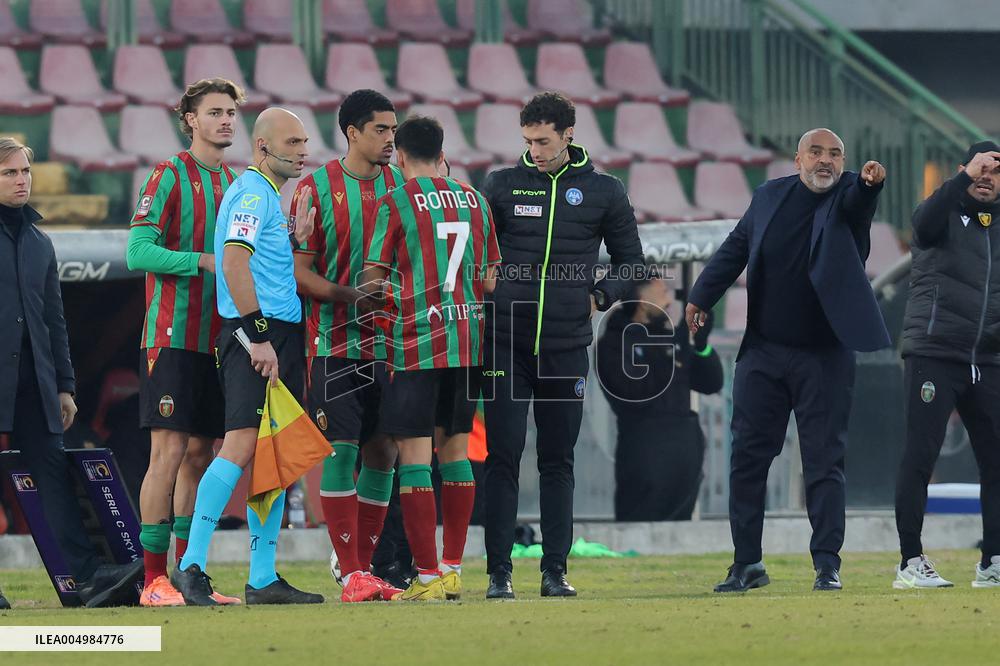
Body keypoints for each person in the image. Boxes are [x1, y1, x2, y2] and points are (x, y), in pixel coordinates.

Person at [685, 128, 889, 593]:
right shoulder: (768, 197)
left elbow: (861, 200)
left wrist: (871, 184)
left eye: (835, 154)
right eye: (816, 152)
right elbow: (736, 247)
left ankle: (827, 565)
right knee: (748, 459)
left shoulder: (850, 197)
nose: (826, 161)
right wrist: (701, 296)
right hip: (764, 351)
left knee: (823, 461)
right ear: (797, 159)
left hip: (826, 355)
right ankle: (747, 564)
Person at [481, 91, 643, 599]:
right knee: (503, 456)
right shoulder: (501, 185)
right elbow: (479, 256)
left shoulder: (605, 191)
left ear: (569, 135)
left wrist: (599, 296)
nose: (535, 150)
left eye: (544, 141)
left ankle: (555, 572)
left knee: (557, 458)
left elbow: (631, 263)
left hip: (566, 346)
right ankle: (499, 574)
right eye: (527, 141)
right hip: (503, 343)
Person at [171, 108, 322, 606]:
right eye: (294, 142)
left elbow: (258, 258)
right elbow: (234, 261)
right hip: (257, 333)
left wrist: (291, 237)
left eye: (304, 142)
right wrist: (256, 336)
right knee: (237, 445)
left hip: (274, 330)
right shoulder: (253, 193)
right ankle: (191, 567)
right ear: (263, 147)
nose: (303, 151)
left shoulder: (262, 197)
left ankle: (262, 577)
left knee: (270, 455)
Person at [360, 114, 501, 601]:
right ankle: (454, 567)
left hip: (415, 343)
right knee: (457, 453)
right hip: (466, 341)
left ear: (399, 157)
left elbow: (372, 281)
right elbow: (488, 280)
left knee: (415, 459)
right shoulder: (476, 201)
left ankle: (425, 578)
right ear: (443, 153)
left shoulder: (394, 201)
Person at [0, 137, 143, 608]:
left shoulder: (40, 242)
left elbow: (54, 321)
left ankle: (84, 579)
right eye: (9, 173)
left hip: (34, 383)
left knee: (53, 474)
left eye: (24, 172)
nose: (21, 181)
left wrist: (64, 386)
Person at [125, 78, 245, 607]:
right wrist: (201, 261)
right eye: (215, 112)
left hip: (218, 339)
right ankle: (152, 579)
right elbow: (137, 251)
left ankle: (187, 572)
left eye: (231, 113)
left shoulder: (237, 183)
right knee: (169, 452)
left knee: (200, 453)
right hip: (172, 336)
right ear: (190, 119)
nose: (226, 121)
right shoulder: (169, 175)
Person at [291, 89, 403, 603]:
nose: (389, 139)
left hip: (391, 346)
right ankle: (353, 570)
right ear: (352, 132)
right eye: (380, 129)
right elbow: (299, 274)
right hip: (335, 342)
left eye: (394, 130)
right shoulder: (314, 189)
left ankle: (363, 566)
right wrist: (348, 296)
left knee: (384, 450)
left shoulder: (402, 186)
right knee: (342, 450)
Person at [894, 142, 1000, 590]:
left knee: (996, 462)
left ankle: (992, 561)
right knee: (922, 455)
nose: (985, 176)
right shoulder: (942, 213)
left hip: (989, 358)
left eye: (995, 171)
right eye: (979, 168)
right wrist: (960, 178)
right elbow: (921, 221)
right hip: (935, 352)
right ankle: (910, 561)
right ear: (963, 170)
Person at [596, 276, 723, 521]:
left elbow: (711, 383)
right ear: (644, 301)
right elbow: (634, 394)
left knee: (680, 525)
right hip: (646, 450)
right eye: (662, 292)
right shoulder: (615, 342)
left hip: (685, 448)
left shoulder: (670, 339)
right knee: (641, 520)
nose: (669, 300)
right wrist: (671, 351)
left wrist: (700, 344)